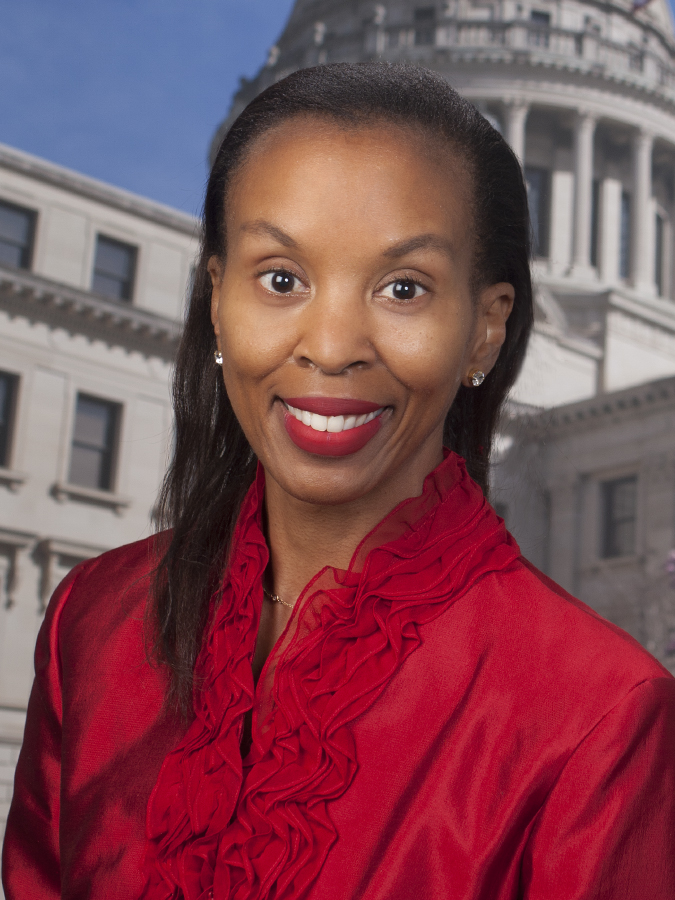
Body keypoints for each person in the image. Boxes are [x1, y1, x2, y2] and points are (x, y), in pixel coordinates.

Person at [3, 63, 675, 900]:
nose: (330, 345)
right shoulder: (93, 619)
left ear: (484, 328)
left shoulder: (598, 713)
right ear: (216, 297)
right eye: (280, 278)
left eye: (403, 288)